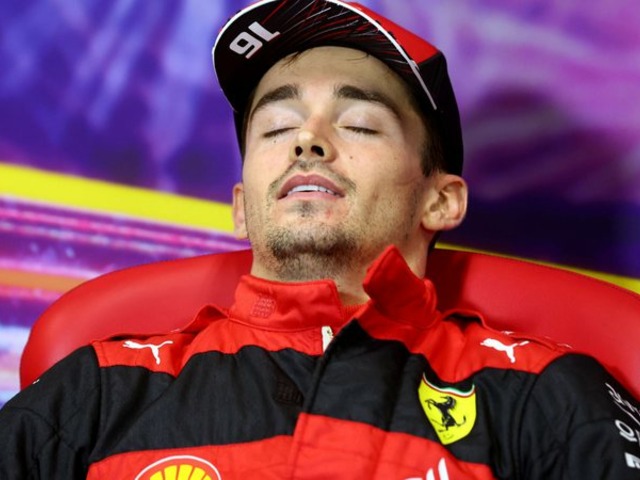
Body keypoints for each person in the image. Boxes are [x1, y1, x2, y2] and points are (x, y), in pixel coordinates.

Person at [1, 0, 639, 478]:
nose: (308, 140)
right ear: (243, 207)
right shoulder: (98, 388)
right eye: (277, 127)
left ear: (440, 201)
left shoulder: (542, 392)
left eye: (359, 123)